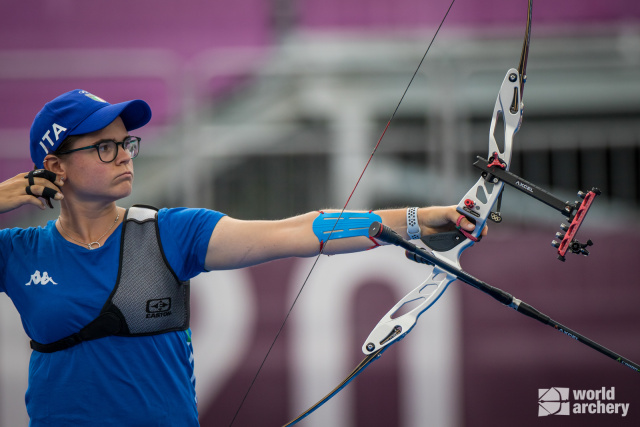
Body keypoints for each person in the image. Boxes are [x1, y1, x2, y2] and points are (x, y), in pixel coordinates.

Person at [0, 89, 485, 426]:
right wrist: (5, 195)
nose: (125, 155)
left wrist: (424, 218)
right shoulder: (20, 253)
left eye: (126, 142)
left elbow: (297, 230)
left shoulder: (169, 233)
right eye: (104, 146)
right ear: (53, 167)